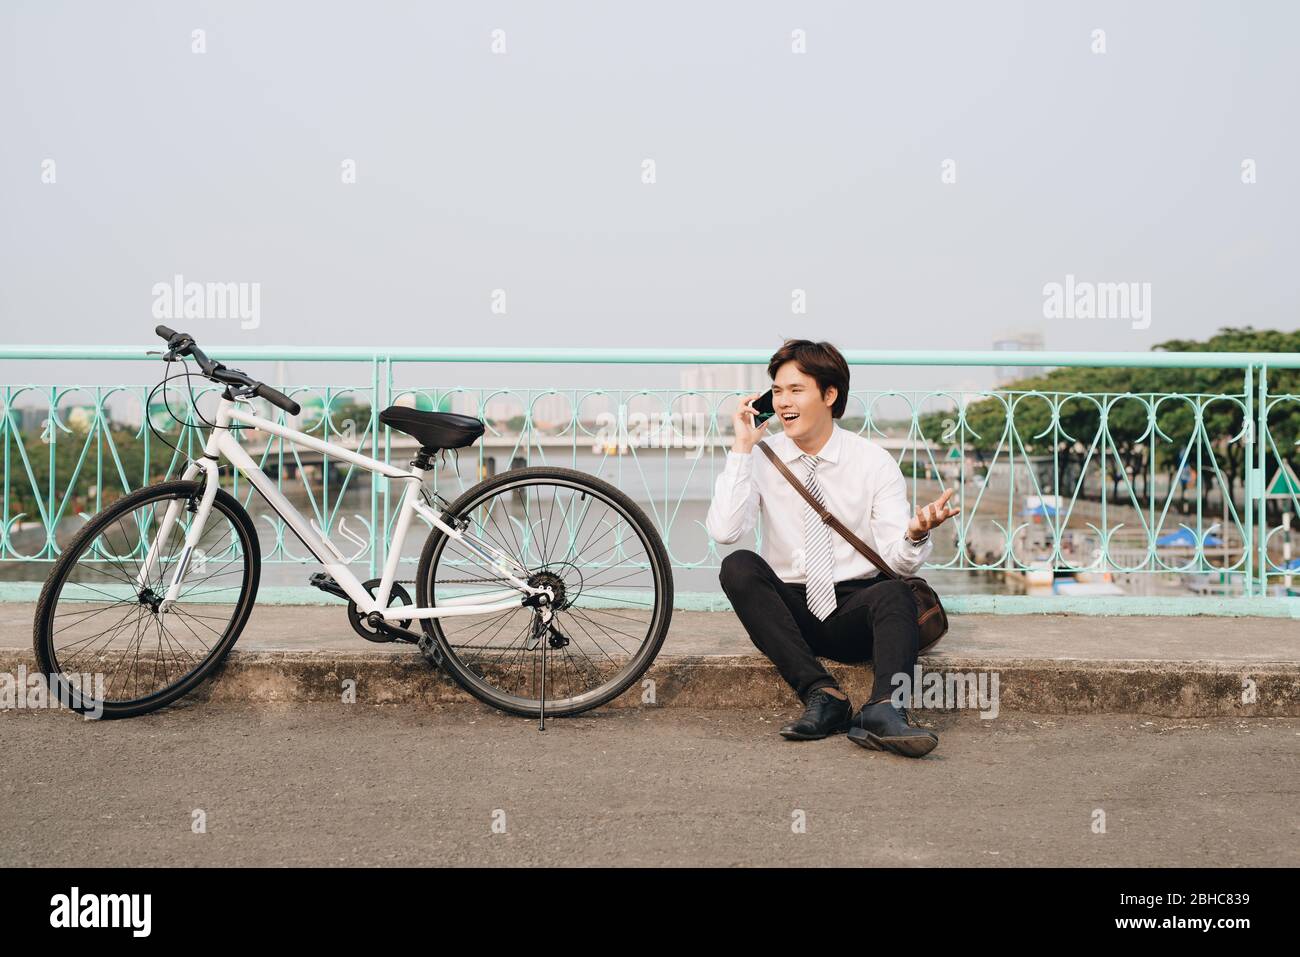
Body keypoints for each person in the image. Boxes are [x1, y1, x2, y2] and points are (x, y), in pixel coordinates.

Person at [706, 339, 960, 758]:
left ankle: (885, 710)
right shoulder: (763, 457)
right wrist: (742, 448)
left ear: (829, 394)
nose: (783, 401)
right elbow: (725, 531)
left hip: (854, 610)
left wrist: (915, 533)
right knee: (738, 566)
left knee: (895, 591)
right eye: (778, 391)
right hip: (792, 611)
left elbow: (898, 561)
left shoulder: (873, 462)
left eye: (796, 390)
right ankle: (824, 695)